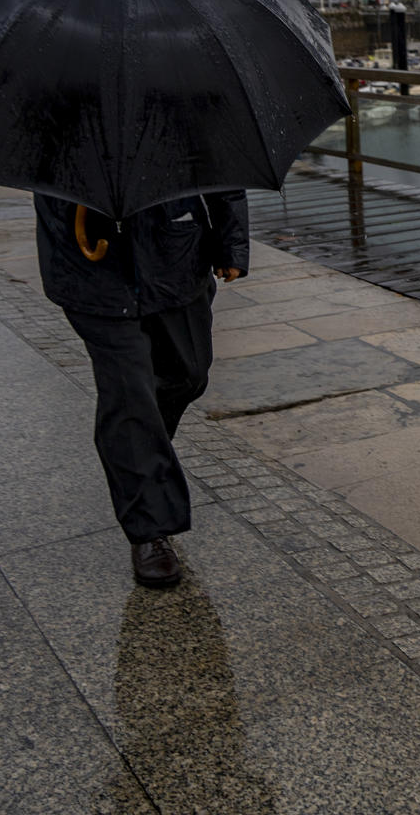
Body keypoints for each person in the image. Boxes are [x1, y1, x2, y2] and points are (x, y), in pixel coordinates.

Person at [33, 191, 249, 587]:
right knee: (130, 393)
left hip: (176, 253)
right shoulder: (48, 126)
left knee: (189, 374)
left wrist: (231, 242)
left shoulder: (178, 124)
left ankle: (138, 451)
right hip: (89, 268)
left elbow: (223, 165)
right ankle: (149, 529)